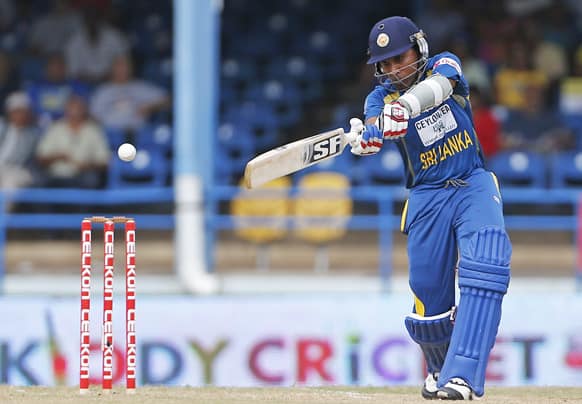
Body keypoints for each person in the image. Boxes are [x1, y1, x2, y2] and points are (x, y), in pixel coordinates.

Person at [348, 16, 511, 400]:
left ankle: (464, 376)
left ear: (418, 49)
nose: (392, 69)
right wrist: (369, 137)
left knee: (486, 266)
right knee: (428, 301)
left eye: (398, 58)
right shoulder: (379, 99)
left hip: (472, 183)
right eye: (383, 64)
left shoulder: (445, 65)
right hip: (427, 196)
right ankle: (439, 369)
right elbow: (376, 121)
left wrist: (402, 109)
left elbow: (440, 87)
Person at [36, 94, 110, 188]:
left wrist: (88, 166)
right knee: (39, 180)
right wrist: (58, 156)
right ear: (65, 110)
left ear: (84, 110)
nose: (75, 111)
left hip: (82, 175)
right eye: (71, 108)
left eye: (78, 108)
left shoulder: (94, 130)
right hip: (55, 175)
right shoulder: (55, 128)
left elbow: (104, 162)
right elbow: (40, 158)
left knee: (91, 179)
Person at [0, 92, 40, 191]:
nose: (20, 115)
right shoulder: (2, 126)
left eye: (23, 111)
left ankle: (3, 207)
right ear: (9, 113)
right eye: (16, 111)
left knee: (9, 181)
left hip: (18, 169)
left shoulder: (33, 133)